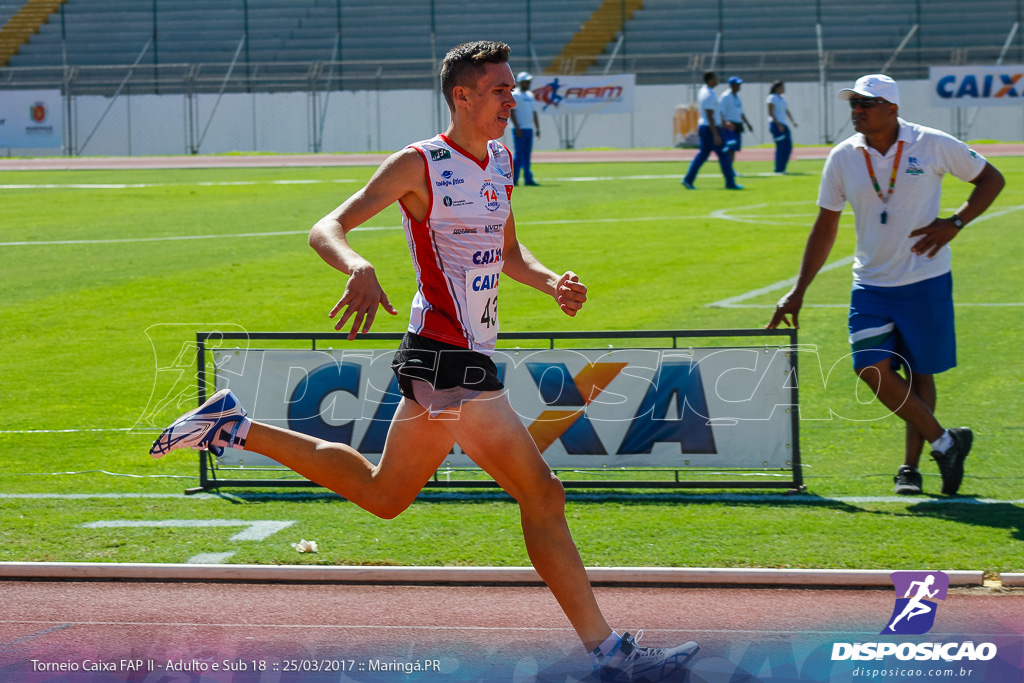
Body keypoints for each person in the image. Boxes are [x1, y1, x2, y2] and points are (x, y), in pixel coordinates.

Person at [150, 41, 699, 682]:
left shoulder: (500, 158)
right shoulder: (420, 164)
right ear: (462, 96)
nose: (511, 99)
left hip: (455, 359)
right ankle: (611, 656)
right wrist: (356, 264)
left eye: (511, 89)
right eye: (499, 90)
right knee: (542, 494)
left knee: (384, 495)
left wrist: (550, 282)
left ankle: (232, 426)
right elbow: (326, 226)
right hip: (446, 359)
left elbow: (510, 251)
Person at [766, 74, 1005, 496]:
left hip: (924, 279)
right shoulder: (842, 156)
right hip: (871, 285)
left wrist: (955, 223)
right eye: (853, 103)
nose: (856, 109)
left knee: (919, 375)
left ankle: (910, 470)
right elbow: (825, 224)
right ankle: (947, 442)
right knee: (868, 368)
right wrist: (798, 290)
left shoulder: (931, 142)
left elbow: (991, 179)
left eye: (866, 103)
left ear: (891, 109)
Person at [682, 71, 742, 190]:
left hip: (706, 127)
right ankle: (730, 182)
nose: (717, 80)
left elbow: (715, 112)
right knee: (724, 154)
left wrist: (725, 123)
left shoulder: (708, 92)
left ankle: (688, 179)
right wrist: (716, 134)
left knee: (703, 155)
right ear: (710, 80)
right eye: (715, 78)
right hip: (710, 129)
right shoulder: (708, 94)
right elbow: (710, 115)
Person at [511, 70, 540, 186]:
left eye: (529, 82)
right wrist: (517, 127)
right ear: (520, 82)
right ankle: (514, 180)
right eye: (526, 82)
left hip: (529, 129)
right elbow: (512, 112)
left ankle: (528, 179)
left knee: (527, 155)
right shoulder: (515, 95)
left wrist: (537, 128)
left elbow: (534, 112)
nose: (528, 84)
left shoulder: (530, 95)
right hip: (520, 129)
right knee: (518, 155)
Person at [719, 76, 753, 168]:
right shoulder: (725, 96)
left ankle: (731, 169)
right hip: (730, 125)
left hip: (737, 125)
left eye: (739, 85)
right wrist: (725, 123)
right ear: (732, 85)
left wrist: (747, 123)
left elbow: (741, 112)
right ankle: (728, 169)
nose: (739, 86)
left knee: (734, 149)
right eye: (737, 85)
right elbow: (720, 111)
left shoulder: (738, 97)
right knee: (730, 148)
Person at [767, 80, 797, 173]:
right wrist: (778, 124)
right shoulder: (772, 98)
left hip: (783, 124)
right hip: (776, 125)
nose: (783, 89)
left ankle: (783, 167)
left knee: (788, 146)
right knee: (781, 146)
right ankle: (778, 168)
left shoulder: (783, 98)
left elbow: (786, 110)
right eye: (782, 87)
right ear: (776, 88)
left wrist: (792, 121)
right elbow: (770, 112)